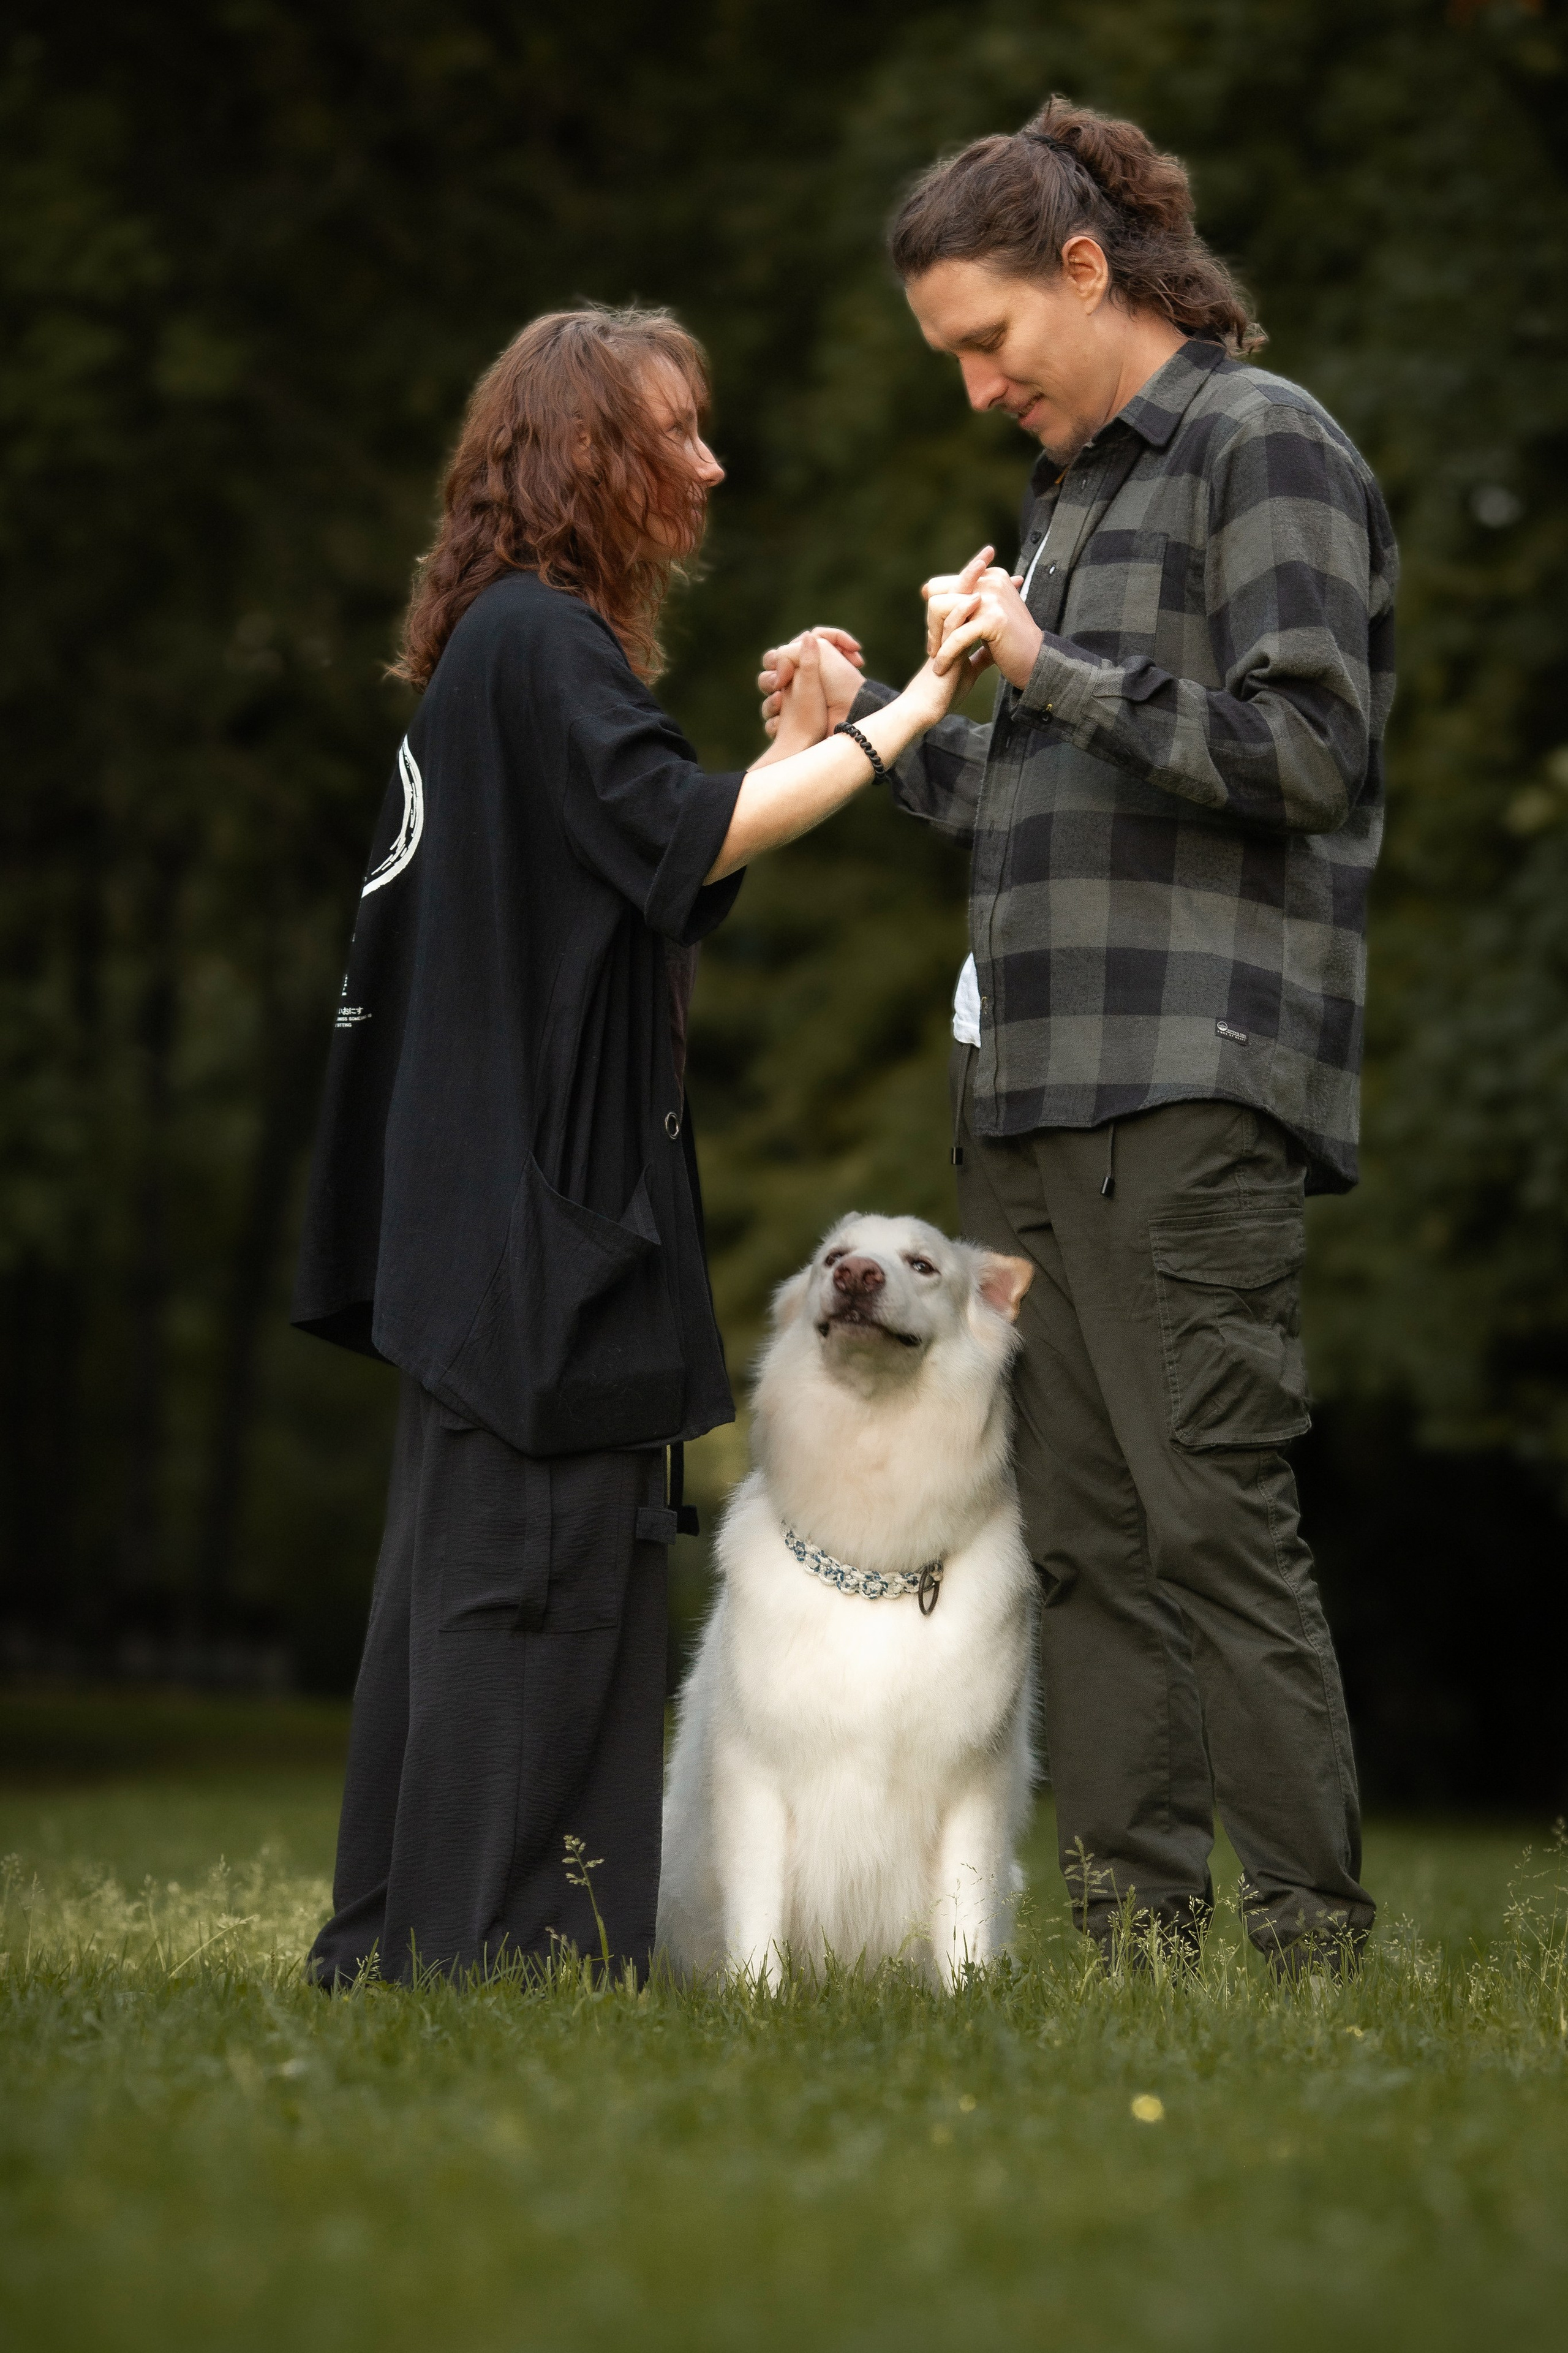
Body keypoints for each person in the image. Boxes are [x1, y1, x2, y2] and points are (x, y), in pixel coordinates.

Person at [762, 99, 1397, 1973]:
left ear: (1087, 271)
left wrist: (1053, 674)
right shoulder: (1071, 492)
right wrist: (877, 726)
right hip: (1030, 1107)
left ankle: (1305, 1943)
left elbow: (1311, 751)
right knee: (1094, 1547)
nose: (974, 390)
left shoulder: (1260, 449)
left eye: (987, 341)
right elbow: (1047, 809)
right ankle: (1135, 1933)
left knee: (1212, 1520)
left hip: (1187, 1092)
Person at [294, 304, 967, 1985]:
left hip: (489, 1221)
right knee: (526, 1592)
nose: (710, 464)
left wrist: (804, 750)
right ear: (587, 454)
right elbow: (680, 833)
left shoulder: (505, 650)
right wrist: (914, 714)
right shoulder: (539, 644)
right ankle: (497, 1958)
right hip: (534, 1227)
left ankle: (409, 1944)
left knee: (485, 1592)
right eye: (678, 433)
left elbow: (653, 874)